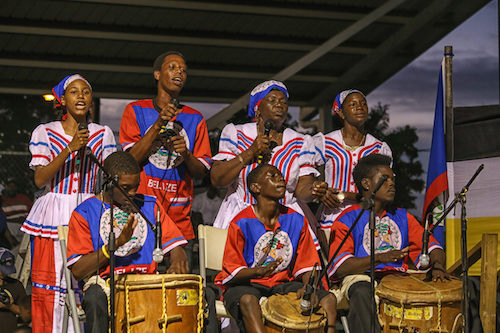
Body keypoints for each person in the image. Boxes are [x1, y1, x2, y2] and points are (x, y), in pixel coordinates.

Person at [21, 74, 117, 333]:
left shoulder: (103, 134)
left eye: (86, 92)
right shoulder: (45, 132)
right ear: (63, 100)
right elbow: (40, 179)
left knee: (88, 283)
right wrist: (69, 149)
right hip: (53, 213)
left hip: (89, 210)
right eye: (74, 92)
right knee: (53, 286)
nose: (81, 96)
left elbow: (111, 176)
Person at [66, 151, 189, 333]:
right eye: (125, 187)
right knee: (93, 298)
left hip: (148, 282)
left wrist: (178, 258)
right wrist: (113, 246)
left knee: (202, 294)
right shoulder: (84, 212)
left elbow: (175, 244)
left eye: (135, 187)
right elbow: (78, 270)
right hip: (106, 283)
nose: (132, 194)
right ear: (108, 181)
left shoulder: (150, 205)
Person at [327, 154, 447, 333]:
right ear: (366, 184)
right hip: (361, 279)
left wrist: (437, 265)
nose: (391, 183)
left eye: (393, 178)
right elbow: (341, 267)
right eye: (385, 179)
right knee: (362, 291)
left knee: (465, 285)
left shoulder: (403, 216)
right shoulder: (347, 219)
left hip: (398, 279)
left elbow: (432, 247)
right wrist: (381, 258)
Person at [215, 164, 337, 333]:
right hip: (247, 285)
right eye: (272, 176)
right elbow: (232, 271)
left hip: (282, 284)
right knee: (249, 300)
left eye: (280, 175)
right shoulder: (241, 222)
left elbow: (309, 266)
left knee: (328, 299)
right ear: (256, 187)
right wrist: (259, 272)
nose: (280, 178)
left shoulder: (297, 220)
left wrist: (309, 287)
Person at [119, 51, 212, 267]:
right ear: (157, 74)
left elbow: (201, 173)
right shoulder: (135, 110)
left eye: (183, 70)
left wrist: (186, 154)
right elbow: (130, 160)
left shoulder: (195, 118)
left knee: (179, 291)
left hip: (179, 220)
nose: (179, 72)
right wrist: (158, 123)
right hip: (140, 214)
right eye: (172, 67)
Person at [210, 80, 329, 231]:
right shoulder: (237, 134)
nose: (279, 105)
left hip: (287, 220)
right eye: (272, 100)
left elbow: (302, 189)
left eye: (283, 102)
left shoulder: (301, 142)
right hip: (242, 219)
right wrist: (250, 153)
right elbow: (218, 179)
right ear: (257, 108)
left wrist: (313, 190)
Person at [314, 89, 392, 230]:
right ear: (341, 113)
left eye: (363, 103)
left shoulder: (378, 148)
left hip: (367, 219)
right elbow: (303, 172)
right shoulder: (326, 142)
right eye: (353, 104)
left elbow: (383, 189)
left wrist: (345, 195)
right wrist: (320, 192)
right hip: (333, 219)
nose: (359, 107)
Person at [0, 247, 31, 333]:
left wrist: (9, 306)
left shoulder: (15, 285)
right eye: (2, 270)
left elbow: (26, 314)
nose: (5, 273)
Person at [1, 179, 33, 243]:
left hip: (25, 223)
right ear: (6, 188)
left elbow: (32, 212)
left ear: (16, 188)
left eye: (13, 187)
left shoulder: (23, 198)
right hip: (11, 226)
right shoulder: (2, 201)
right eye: (9, 187)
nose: (11, 189)